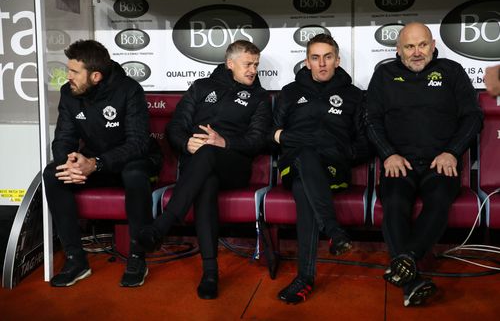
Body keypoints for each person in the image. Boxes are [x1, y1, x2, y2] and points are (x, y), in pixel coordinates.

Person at [138, 40, 272, 299]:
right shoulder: (201, 87)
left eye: (256, 64)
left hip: (234, 166)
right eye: (248, 64)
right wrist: (186, 143)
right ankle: (210, 272)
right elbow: (175, 128)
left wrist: (225, 142)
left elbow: (257, 140)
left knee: (210, 152)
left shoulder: (259, 97)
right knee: (206, 182)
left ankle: (162, 225)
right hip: (198, 164)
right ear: (230, 64)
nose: (253, 70)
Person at [366, 22, 483, 307]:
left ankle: (406, 261)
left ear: (432, 45)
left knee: (440, 198)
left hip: (439, 162)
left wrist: (452, 152)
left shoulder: (452, 72)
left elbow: (473, 117)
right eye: (409, 46)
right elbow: (370, 121)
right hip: (399, 163)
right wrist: (388, 154)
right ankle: (412, 277)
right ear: (398, 50)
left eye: (422, 45)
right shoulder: (384, 75)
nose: (416, 52)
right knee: (393, 201)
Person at [43, 40, 161, 288]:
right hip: (95, 163)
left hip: (134, 160)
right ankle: (76, 260)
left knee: (134, 174)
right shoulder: (69, 92)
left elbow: (138, 143)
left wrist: (96, 163)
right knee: (54, 174)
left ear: (95, 76)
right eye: (68, 70)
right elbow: (63, 137)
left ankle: (138, 257)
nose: (68, 77)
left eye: (74, 72)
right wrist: (70, 162)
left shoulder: (129, 90)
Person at [271, 34, 372, 304]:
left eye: (328, 57)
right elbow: (269, 134)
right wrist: (285, 138)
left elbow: (365, 143)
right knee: (304, 156)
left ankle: (305, 278)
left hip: (333, 169)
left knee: (305, 185)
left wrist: (340, 151)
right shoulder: (290, 92)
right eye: (315, 58)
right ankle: (333, 231)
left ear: (337, 60)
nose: (322, 63)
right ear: (307, 62)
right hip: (294, 165)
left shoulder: (354, 96)